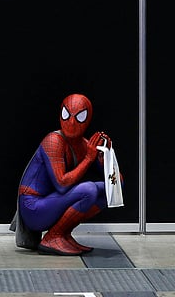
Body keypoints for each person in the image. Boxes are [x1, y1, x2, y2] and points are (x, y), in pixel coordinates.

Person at [15, 93, 118, 256]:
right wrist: (89, 158)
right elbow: (62, 184)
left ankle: (62, 233)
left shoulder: (84, 144)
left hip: (50, 203)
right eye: (66, 114)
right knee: (89, 190)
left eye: (80, 117)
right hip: (33, 207)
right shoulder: (53, 141)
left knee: (107, 190)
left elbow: (116, 184)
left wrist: (106, 156)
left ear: (88, 118)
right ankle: (52, 237)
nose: (71, 123)